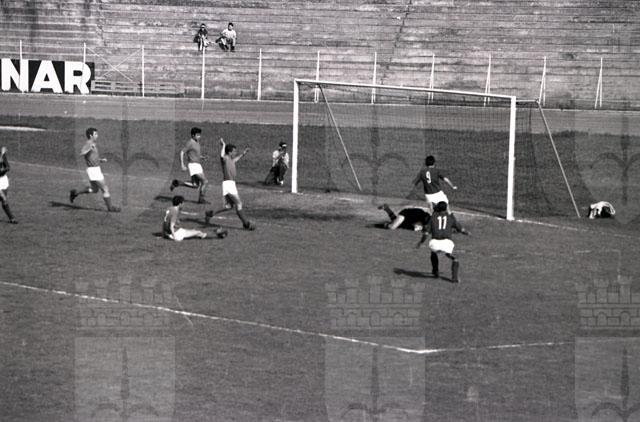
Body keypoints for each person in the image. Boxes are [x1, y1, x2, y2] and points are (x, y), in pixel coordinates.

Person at [204, 138, 255, 230]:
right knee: (239, 203)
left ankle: (210, 213)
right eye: (234, 151)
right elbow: (221, 156)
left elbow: (236, 159)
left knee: (229, 206)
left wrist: (243, 154)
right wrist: (223, 145)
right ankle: (246, 224)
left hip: (230, 184)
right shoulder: (225, 159)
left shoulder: (231, 160)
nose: (235, 152)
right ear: (229, 152)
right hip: (228, 184)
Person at [69, 128, 121, 212]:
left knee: (94, 190)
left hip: (94, 169)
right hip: (94, 170)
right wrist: (89, 148)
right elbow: (82, 152)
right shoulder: (89, 143)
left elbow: (91, 157)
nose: (97, 136)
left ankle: (75, 193)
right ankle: (110, 208)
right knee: (105, 189)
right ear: (91, 135)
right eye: (95, 134)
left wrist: (100, 160)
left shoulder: (92, 144)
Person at [416, 201, 469, 283]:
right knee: (454, 258)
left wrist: (421, 242)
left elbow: (426, 233)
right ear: (446, 208)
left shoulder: (433, 217)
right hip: (447, 243)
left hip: (435, 243)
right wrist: (467, 233)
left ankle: (435, 271)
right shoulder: (451, 217)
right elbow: (461, 229)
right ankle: (454, 277)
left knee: (433, 253)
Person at [170, 127, 209, 204]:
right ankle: (201, 199)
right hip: (193, 165)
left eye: (200, 135)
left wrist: (202, 157)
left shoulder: (197, 142)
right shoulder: (190, 142)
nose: (199, 137)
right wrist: (182, 164)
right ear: (193, 135)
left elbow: (194, 154)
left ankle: (178, 183)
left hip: (198, 165)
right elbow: (182, 152)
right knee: (205, 181)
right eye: (197, 135)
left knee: (195, 185)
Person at [0, 147, 18, 224]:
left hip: (3, 181)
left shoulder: (2, 155)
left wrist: (5, 169)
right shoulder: (1, 154)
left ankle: (11, 218)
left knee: (3, 200)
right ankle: (12, 218)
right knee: (3, 198)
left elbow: (7, 166)